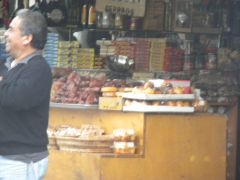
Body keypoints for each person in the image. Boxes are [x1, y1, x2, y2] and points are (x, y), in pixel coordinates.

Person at [0, 9, 52, 179]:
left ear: (27, 38)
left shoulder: (38, 69)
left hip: (21, 162)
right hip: (9, 158)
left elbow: (14, 99)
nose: (6, 34)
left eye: (12, 29)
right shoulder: (13, 66)